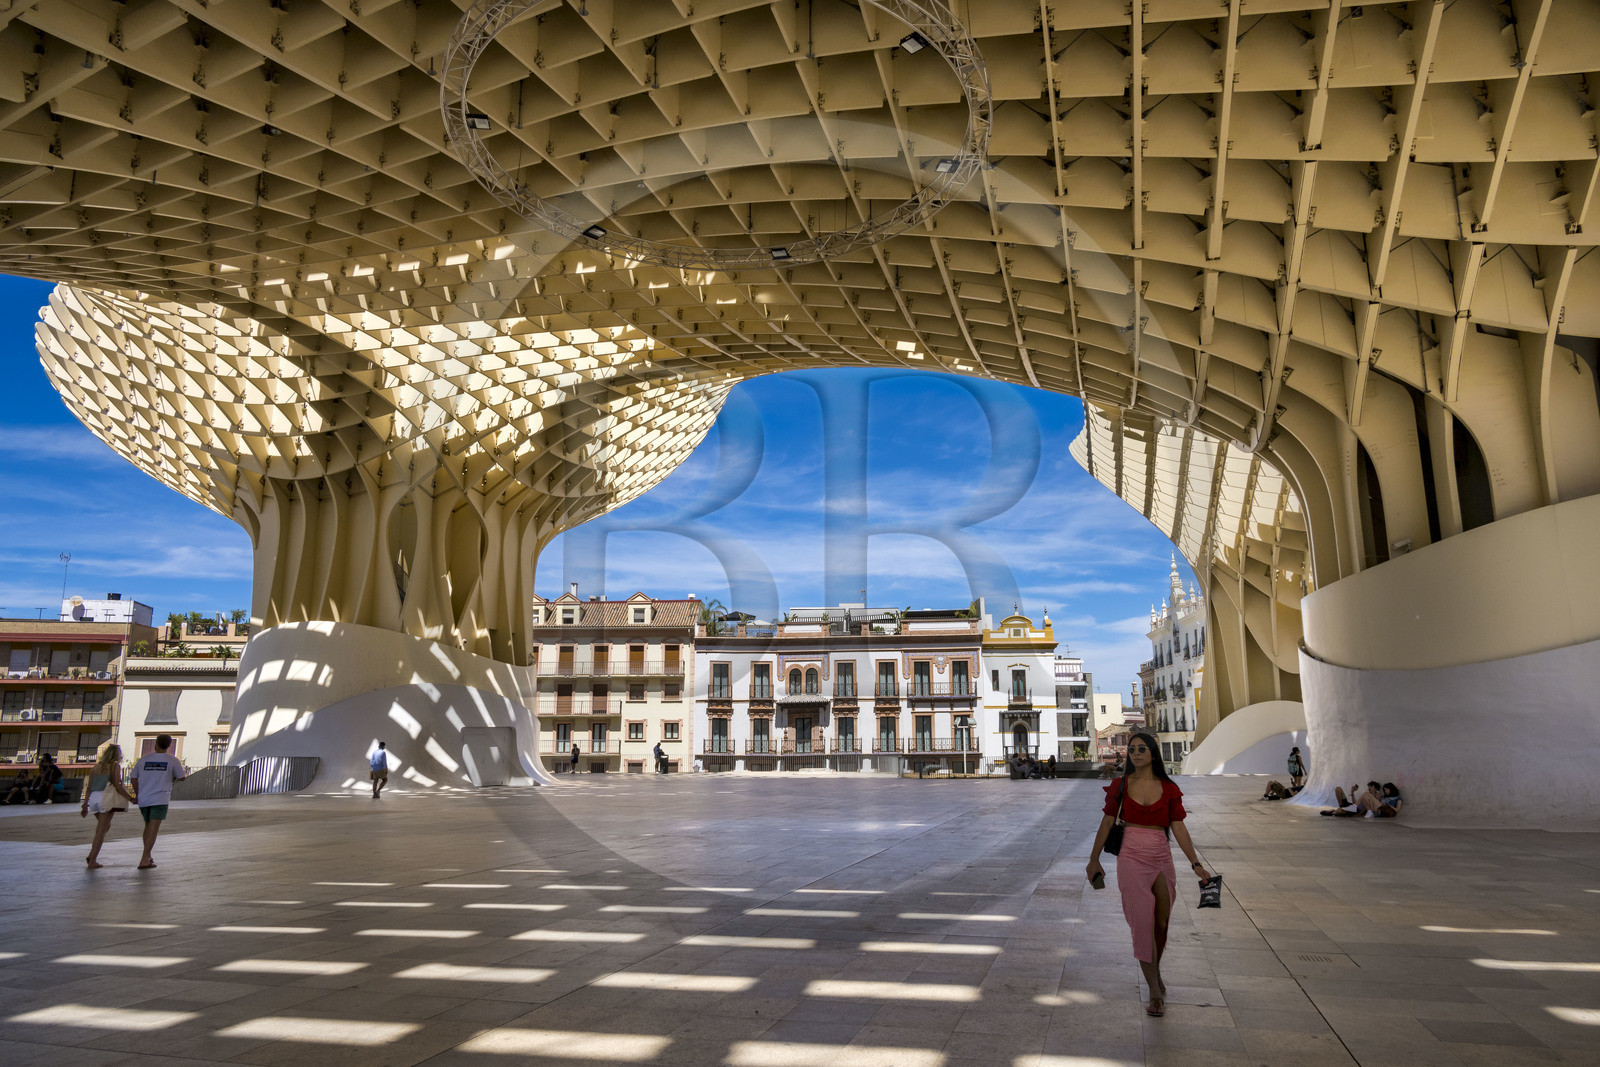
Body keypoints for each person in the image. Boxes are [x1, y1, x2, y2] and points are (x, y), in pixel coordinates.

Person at [1086, 731, 1211, 1018]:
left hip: (1160, 855)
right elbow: (1107, 822)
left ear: (1153, 753)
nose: (1136, 752)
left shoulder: (1168, 788)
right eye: (1132, 749)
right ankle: (1154, 991)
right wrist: (1094, 859)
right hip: (1130, 855)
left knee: (1161, 923)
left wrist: (1196, 864)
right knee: (1142, 923)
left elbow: (1178, 826)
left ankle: (1154, 971)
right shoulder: (1120, 785)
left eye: (1142, 748)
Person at [129, 735, 187, 870]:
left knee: (148, 826)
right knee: (153, 828)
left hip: (144, 798)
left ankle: (147, 856)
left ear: (156, 744)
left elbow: (133, 777)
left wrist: (137, 793)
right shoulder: (172, 761)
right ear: (168, 746)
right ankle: (144, 858)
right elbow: (181, 777)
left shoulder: (144, 760)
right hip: (160, 798)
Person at [80, 742, 135, 868]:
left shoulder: (95, 768)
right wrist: (130, 798)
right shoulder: (114, 766)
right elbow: (117, 785)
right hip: (106, 798)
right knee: (100, 831)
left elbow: (88, 788)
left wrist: (85, 805)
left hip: (94, 798)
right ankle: (92, 860)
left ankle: (91, 854)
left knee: (104, 827)